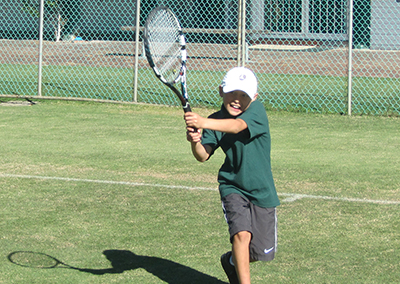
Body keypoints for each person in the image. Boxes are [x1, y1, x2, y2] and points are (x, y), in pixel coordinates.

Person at [184, 67, 280, 284]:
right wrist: (195, 141)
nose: (237, 100)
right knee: (241, 236)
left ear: (254, 97)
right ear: (221, 91)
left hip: (262, 190)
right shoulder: (216, 120)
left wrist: (202, 122)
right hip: (232, 186)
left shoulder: (256, 112)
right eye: (232, 93)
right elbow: (202, 155)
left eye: (244, 95)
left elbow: (236, 127)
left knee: (260, 252)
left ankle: (231, 262)